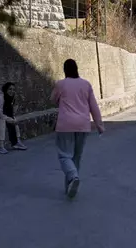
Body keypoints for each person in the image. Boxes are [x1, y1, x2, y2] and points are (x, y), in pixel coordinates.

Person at [51, 59, 105, 199]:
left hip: (65, 125)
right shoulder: (86, 85)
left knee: (64, 155)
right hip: (83, 125)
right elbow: (94, 106)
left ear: (65, 70)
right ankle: (69, 186)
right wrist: (99, 125)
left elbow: (53, 99)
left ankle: (73, 177)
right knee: (76, 157)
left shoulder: (61, 84)